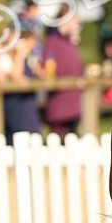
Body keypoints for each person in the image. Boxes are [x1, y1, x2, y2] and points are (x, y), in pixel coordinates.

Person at [42, 8, 84, 137]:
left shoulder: (69, 43)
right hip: (60, 107)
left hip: (73, 105)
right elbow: (50, 70)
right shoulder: (52, 42)